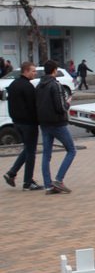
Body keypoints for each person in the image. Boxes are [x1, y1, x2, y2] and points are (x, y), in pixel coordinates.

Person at [36, 60, 76, 195]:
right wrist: (68, 103)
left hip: (44, 123)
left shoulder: (39, 85)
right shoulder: (55, 85)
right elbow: (61, 107)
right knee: (71, 150)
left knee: (46, 155)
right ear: (54, 70)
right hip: (58, 123)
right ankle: (59, 179)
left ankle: (48, 186)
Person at [3, 62, 43, 191]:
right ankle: (27, 182)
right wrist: (39, 120)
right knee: (31, 152)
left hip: (17, 122)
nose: (35, 73)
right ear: (25, 71)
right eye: (33, 71)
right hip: (29, 124)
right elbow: (33, 106)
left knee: (27, 149)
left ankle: (12, 173)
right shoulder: (28, 87)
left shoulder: (13, 85)